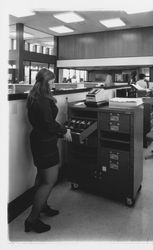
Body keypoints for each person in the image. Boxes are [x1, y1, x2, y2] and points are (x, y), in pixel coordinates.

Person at [25, 68, 72, 233]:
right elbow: (48, 123)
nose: (53, 83)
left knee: (42, 176)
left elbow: (44, 123)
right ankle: (32, 219)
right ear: (45, 82)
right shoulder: (43, 100)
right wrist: (64, 131)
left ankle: (43, 206)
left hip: (39, 140)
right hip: (45, 143)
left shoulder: (34, 96)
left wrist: (59, 129)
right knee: (49, 181)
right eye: (51, 81)